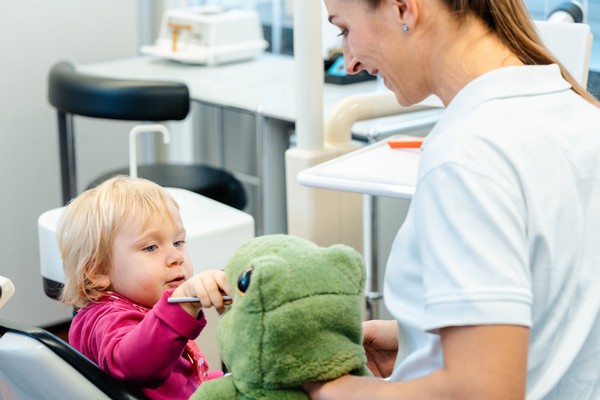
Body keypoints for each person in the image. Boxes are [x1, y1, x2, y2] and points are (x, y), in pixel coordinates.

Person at [306, 0, 600, 399]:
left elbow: (481, 390)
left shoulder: (467, 155)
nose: (350, 62)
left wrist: (330, 389)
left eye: (343, 30)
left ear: (403, 9)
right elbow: (562, 306)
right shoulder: (580, 116)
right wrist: (419, 341)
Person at [57, 175, 232, 400]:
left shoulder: (145, 305)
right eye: (151, 247)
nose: (175, 257)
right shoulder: (103, 319)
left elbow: (183, 382)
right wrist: (183, 302)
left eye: (178, 242)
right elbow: (136, 366)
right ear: (97, 271)